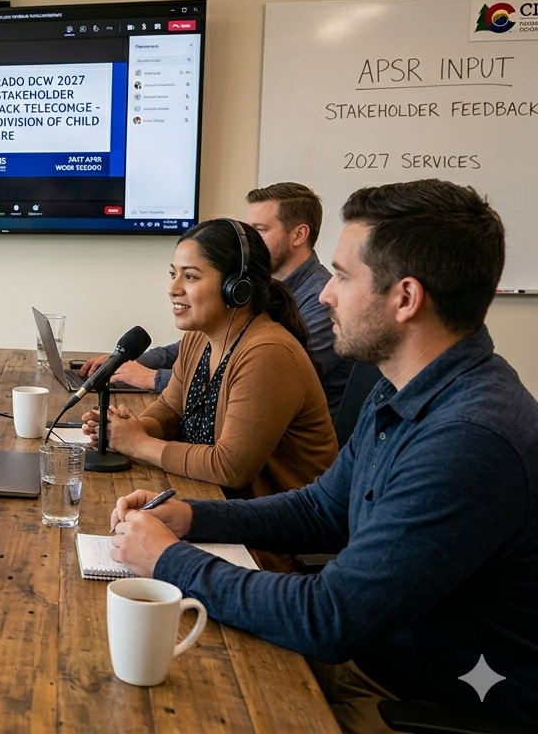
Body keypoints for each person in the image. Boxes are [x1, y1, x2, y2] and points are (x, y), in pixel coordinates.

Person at [107, 180, 537, 732]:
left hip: (411, 703)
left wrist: (168, 560)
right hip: (370, 661)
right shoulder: (405, 389)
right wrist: (191, 516)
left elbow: (329, 618)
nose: (325, 294)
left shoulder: (468, 439)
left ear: (406, 298)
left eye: (343, 276)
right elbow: (321, 509)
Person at [81, 218, 337, 498]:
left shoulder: (268, 353)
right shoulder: (199, 338)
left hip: (277, 518)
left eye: (190, 277)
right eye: (173, 274)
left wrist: (138, 444)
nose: (173, 288)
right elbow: (170, 409)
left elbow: (230, 467)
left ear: (236, 287)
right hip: (221, 501)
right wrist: (127, 430)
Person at [83, 182, 353, 420]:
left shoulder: (324, 300)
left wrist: (153, 378)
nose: (249, 243)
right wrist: (126, 363)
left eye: (260, 230)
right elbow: (192, 347)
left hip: (284, 443)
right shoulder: (253, 287)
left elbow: (259, 382)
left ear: (298, 235)